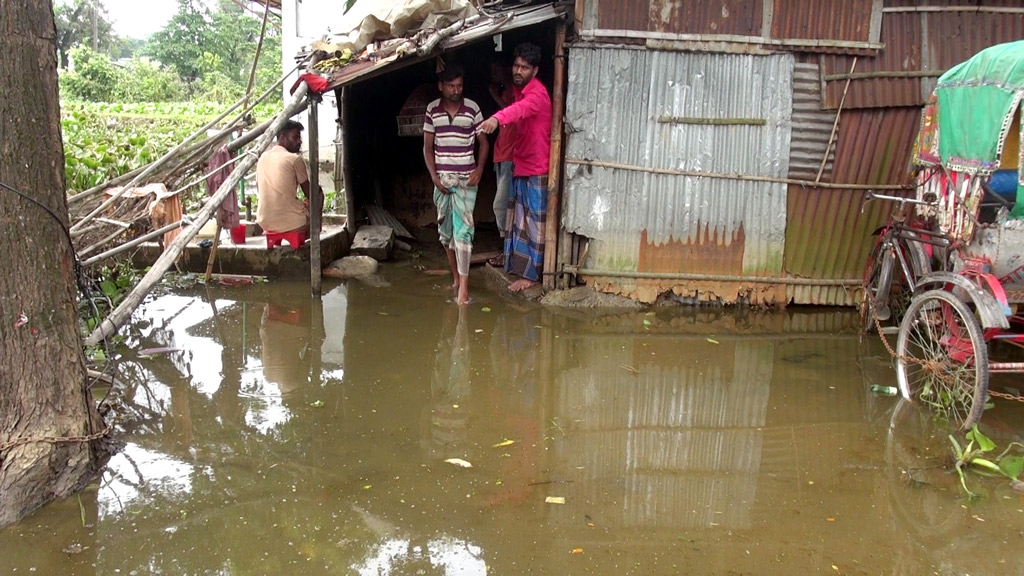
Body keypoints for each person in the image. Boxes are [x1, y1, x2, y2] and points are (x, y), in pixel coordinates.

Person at [478, 43, 552, 293]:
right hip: (521, 164)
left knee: (534, 225)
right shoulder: (519, 91)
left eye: (525, 67)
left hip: (537, 168)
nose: (518, 71)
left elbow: (518, 111)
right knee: (519, 221)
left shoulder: (536, 94)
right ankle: (520, 267)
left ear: (535, 70)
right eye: (516, 65)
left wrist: (496, 119)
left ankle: (532, 276)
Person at [423, 64, 490, 305]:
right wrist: (434, 177)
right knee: (445, 234)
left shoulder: (472, 109)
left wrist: (480, 169)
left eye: (459, 85)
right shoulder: (432, 110)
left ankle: (464, 288)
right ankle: (455, 277)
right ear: (441, 86)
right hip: (442, 181)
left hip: (466, 180)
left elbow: (484, 143)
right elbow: (427, 148)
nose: (455, 90)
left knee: (464, 233)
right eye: (451, 86)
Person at [255, 119, 314, 236]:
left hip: (264, 222)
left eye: (299, 138)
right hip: (293, 224)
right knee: (318, 194)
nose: (299, 141)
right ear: (282, 137)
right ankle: (315, 231)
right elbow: (311, 194)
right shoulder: (294, 159)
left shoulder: (262, 158)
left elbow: (259, 189)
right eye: (295, 138)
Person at [488, 59, 517, 266]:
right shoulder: (507, 90)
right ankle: (506, 250)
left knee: (501, 206)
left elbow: (511, 113)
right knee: (504, 205)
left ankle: (507, 252)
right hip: (501, 154)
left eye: (496, 69)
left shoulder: (516, 92)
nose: (493, 74)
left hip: (510, 156)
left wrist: (495, 96)